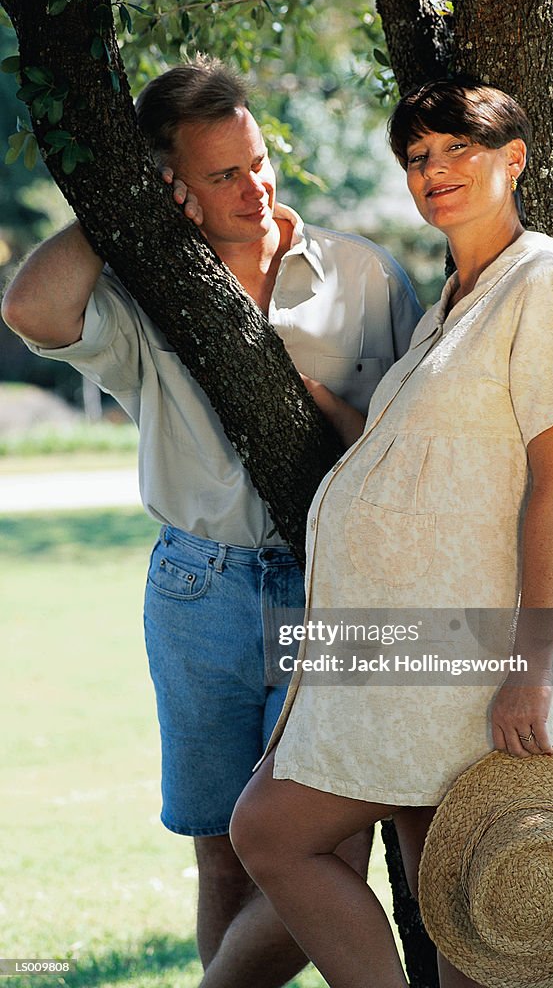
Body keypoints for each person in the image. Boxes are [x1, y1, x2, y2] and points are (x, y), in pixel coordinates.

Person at [0, 57, 422, 988]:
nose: (255, 187)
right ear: (172, 184)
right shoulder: (143, 296)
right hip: (200, 591)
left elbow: (419, 446)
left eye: (259, 161)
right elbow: (29, 306)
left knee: (326, 846)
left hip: (335, 592)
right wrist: (122, 214)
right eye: (223, 174)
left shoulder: (365, 277)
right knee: (222, 849)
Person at [229, 79, 553, 988]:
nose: (435, 171)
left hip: (473, 659)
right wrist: (319, 401)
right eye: (418, 158)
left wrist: (532, 670)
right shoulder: (451, 305)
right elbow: (422, 461)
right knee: (452, 910)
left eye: (459, 149)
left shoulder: (544, 283)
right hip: (410, 659)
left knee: (273, 832)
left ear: (514, 158)